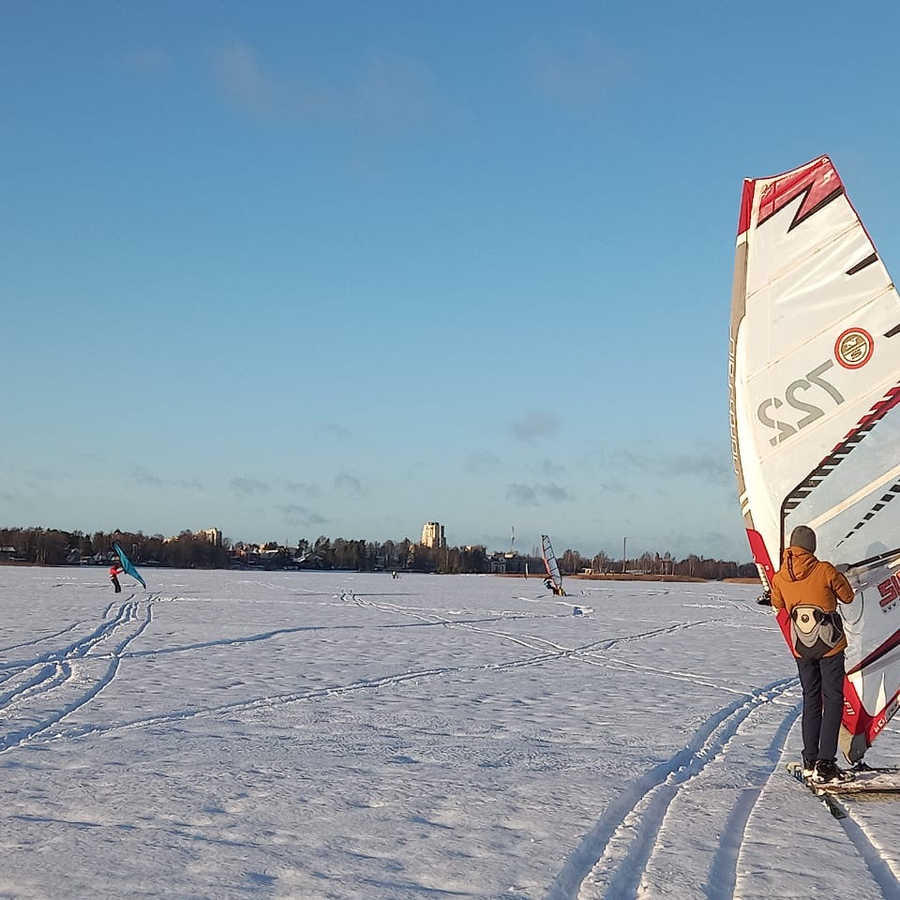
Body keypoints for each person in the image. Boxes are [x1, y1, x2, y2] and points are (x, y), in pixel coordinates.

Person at [770, 525, 855, 785]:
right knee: (833, 700)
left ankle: (810, 757)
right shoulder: (824, 569)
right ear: (812, 547)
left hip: (802, 648)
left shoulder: (780, 576)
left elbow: (777, 603)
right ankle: (826, 764)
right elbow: (848, 597)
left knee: (810, 699)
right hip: (829, 646)